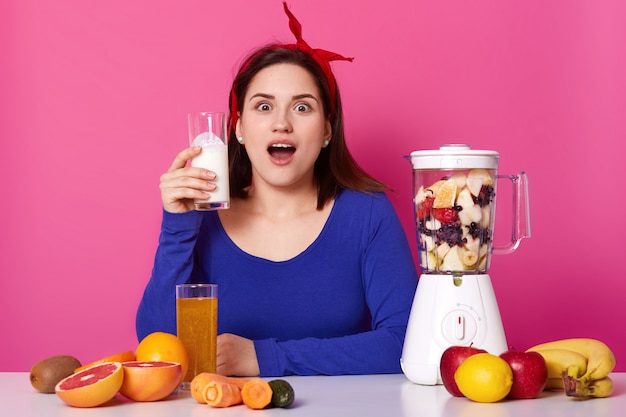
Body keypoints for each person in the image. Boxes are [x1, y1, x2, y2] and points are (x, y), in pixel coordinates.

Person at [136, 2, 418, 377]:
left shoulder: (367, 213)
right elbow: (157, 349)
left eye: (302, 108)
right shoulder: (202, 220)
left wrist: (265, 357)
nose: (281, 123)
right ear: (237, 128)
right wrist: (176, 227)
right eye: (264, 106)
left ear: (327, 131)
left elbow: (406, 344)